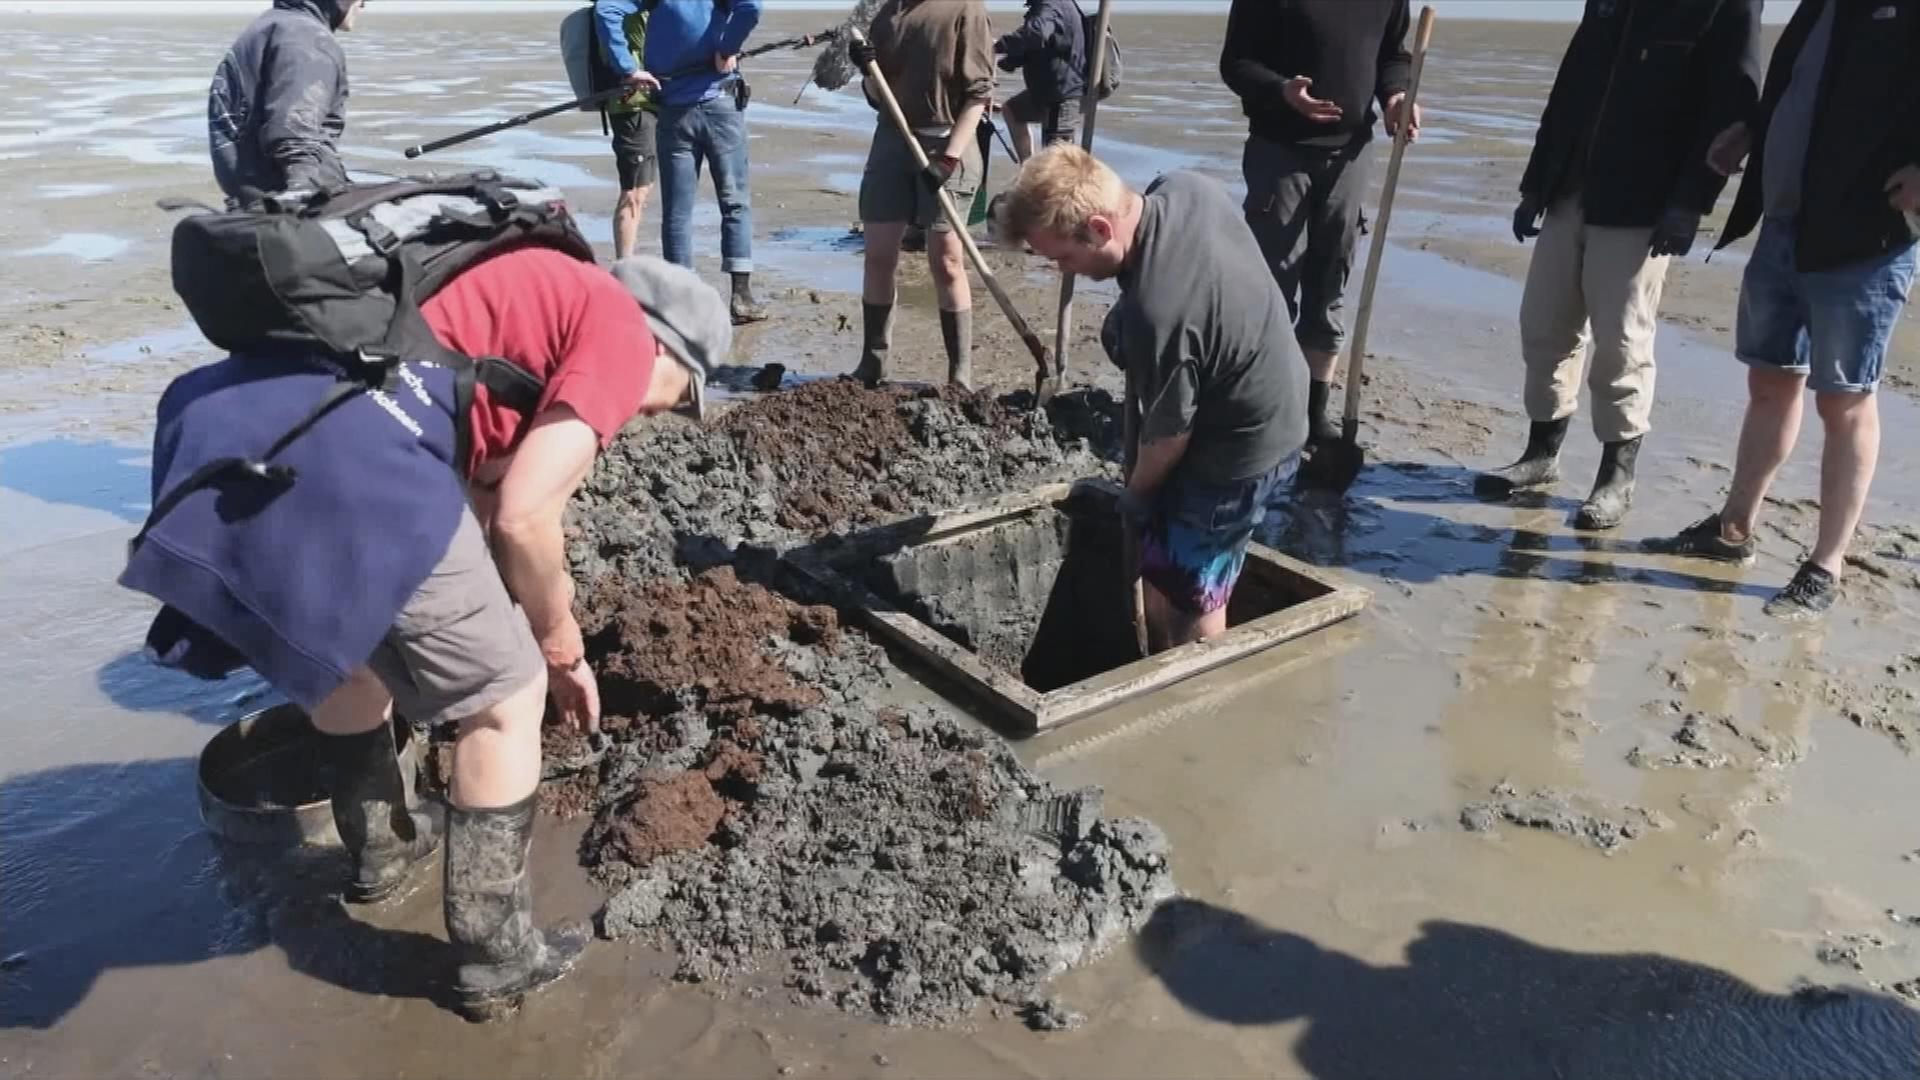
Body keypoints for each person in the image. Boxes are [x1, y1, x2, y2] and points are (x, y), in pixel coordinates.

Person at [119, 246, 728, 1020]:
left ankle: (382, 848)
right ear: (668, 345)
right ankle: (496, 954)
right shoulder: (619, 333)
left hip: (260, 434)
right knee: (509, 696)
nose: (657, 416)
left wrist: (496, 605)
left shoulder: (527, 289)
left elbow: (476, 487)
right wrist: (558, 638)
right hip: (361, 464)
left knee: (356, 649)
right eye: (680, 398)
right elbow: (525, 516)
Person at [1646, 0, 1920, 620]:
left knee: (1845, 400)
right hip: (1785, 222)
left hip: (1863, 236)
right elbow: (1799, 85)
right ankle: (1732, 530)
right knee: (1769, 381)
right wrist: (1752, 130)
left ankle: (1826, 564)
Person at [997, 146, 1308, 650]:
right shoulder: (1184, 188)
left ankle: (1194, 687)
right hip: (1269, 390)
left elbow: (1167, 439)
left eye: (1064, 258)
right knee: (1167, 569)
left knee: (1194, 595)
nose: (1063, 271)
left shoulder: (1159, 316)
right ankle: (1160, 642)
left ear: (1100, 228)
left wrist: (1136, 496)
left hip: (1243, 449)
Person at [1480, 0, 1763, 530]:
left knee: (1623, 342)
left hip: (1643, 204)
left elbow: (1734, 106)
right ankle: (1541, 454)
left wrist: (1691, 202)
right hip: (1570, 189)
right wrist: (1536, 183)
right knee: (1544, 326)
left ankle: (1616, 476)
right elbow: (1570, 88)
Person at [1220, 0, 1417, 448]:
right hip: (1280, 151)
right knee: (1271, 284)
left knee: (1331, 283)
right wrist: (1281, 89)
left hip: (1351, 154)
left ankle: (1314, 413)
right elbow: (1236, 63)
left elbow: (1393, 55)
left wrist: (1396, 96)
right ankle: (1262, 407)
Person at [846, 0, 995, 391]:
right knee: (878, 254)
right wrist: (866, 71)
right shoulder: (887, 15)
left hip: (949, 140)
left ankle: (959, 374)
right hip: (892, 140)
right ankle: (873, 362)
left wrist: (948, 160)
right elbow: (879, 95)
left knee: (945, 260)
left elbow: (979, 96)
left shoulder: (965, 8)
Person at [644, 0, 768, 324]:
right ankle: (741, 297)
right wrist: (728, 48)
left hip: (674, 111)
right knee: (735, 202)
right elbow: (752, 7)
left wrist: (626, 68)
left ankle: (681, 304)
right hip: (719, 105)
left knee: (677, 212)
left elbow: (606, 11)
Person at [208, 0, 363, 204]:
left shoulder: (270, 25)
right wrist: (304, 185)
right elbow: (294, 127)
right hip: (286, 195)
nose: (363, 6)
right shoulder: (307, 38)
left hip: (250, 194)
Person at [593, 0, 666, 259]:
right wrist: (629, 70)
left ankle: (629, 262)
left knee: (645, 189)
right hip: (633, 104)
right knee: (634, 191)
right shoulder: (616, 5)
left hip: (656, 101)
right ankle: (625, 269)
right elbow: (604, 10)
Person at [994, 0, 1086, 162]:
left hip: (1062, 92)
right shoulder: (1044, 6)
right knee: (1013, 111)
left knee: (1057, 162)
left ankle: (1044, 179)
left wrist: (999, 46)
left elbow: (1036, 34)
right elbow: (1040, 44)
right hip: (1044, 90)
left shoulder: (1051, 4)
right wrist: (1008, 61)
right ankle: (1028, 170)